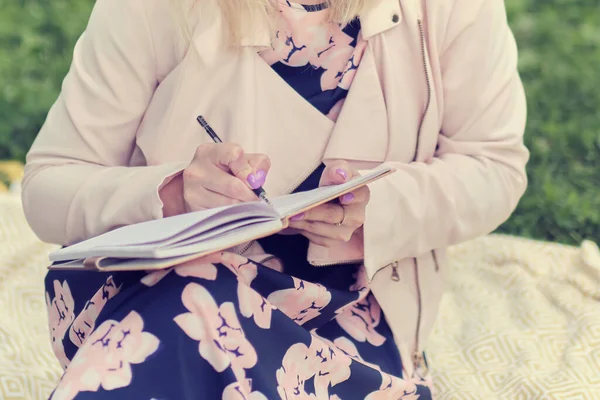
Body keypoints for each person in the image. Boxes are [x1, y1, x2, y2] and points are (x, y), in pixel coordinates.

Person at [22, 0, 528, 398]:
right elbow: (48, 185)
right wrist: (171, 193)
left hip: (352, 311)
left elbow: (494, 167)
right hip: (155, 290)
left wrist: (380, 207)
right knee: (192, 301)